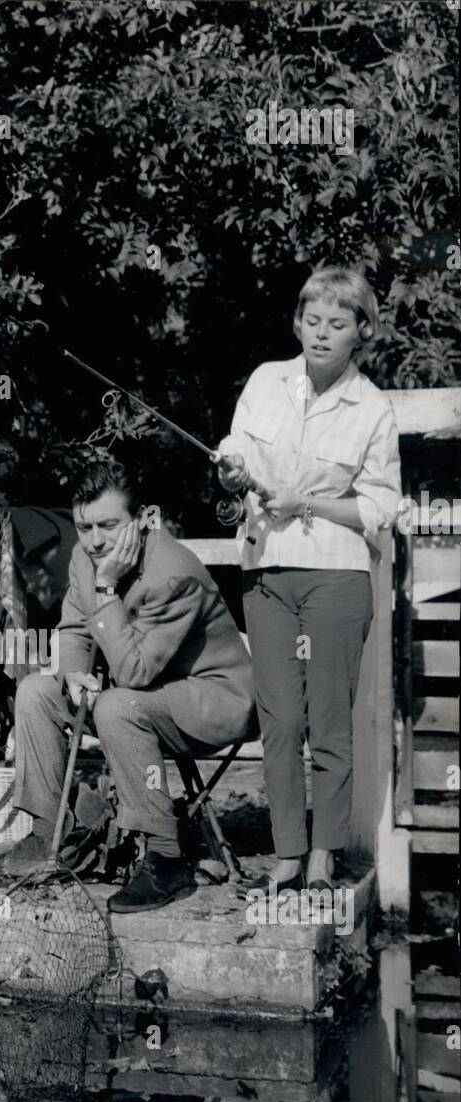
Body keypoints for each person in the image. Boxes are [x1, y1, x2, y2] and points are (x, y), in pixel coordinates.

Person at [0, 452, 256, 912]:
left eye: (108, 525)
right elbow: (72, 630)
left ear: (142, 519)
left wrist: (106, 590)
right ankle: (49, 833)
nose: (96, 541)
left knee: (117, 706)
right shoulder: (86, 560)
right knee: (37, 691)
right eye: (85, 528)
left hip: (214, 700)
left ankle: (166, 857)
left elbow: (134, 673)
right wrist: (73, 673)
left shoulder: (172, 574)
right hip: (148, 692)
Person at [217, 266, 401, 895]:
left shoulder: (373, 408)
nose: (322, 334)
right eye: (313, 320)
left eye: (338, 323)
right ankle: (288, 855)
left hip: (336, 580)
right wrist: (231, 474)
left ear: (361, 333)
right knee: (279, 719)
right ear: (298, 323)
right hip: (265, 571)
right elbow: (233, 453)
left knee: (327, 721)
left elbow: (380, 508)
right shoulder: (266, 381)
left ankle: (325, 856)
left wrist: (310, 505)